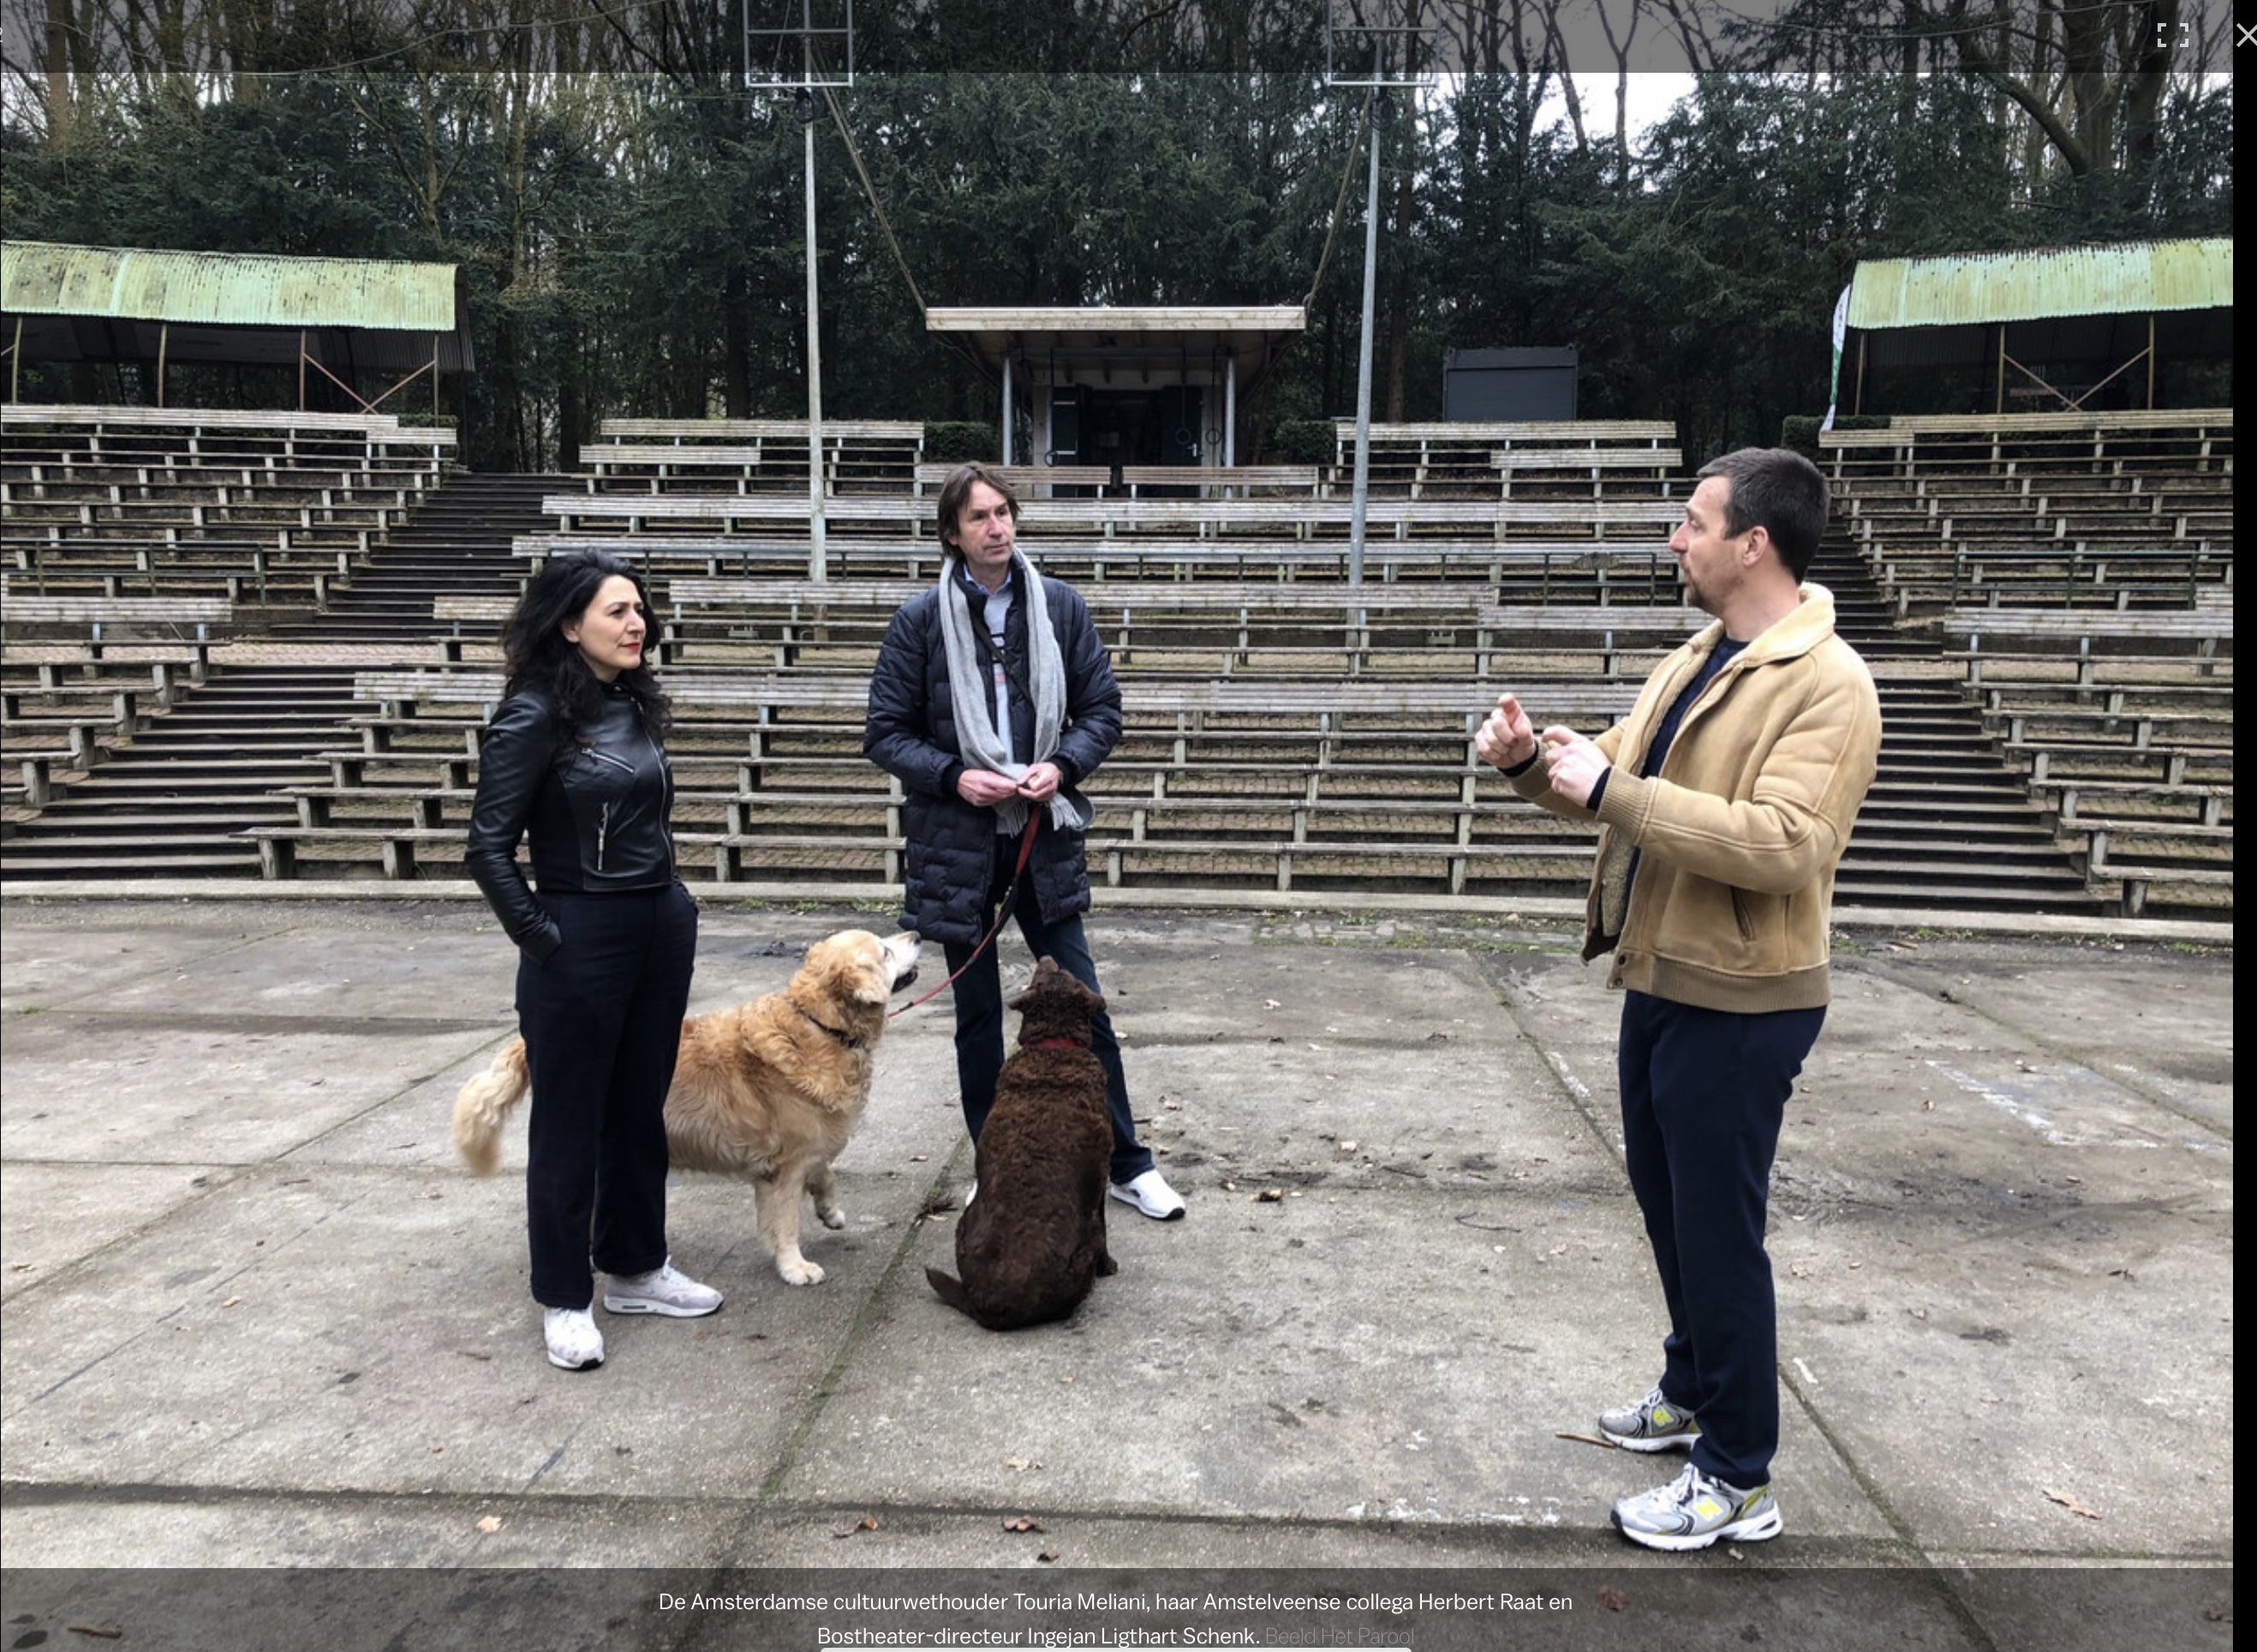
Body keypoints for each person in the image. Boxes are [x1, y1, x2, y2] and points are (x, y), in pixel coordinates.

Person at [1474, 447, 1880, 1550]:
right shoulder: (1701, 655)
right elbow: (1610, 773)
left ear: (1753, 543)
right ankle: (1694, 1388)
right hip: (1661, 972)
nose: (1675, 539)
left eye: (1693, 523)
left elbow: (1787, 845)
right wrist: (1529, 760)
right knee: (1673, 1215)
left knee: (1718, 1236)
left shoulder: (1830, 682)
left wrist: (1619, 790)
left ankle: (1739, 1476)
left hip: (1745, 999)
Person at [864, 462, 1185, 1222]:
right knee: (977, 1017)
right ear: (952, 534)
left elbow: (1102, 709)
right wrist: (953, 776)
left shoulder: (1060, 606)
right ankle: (994, 1164)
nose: (996, 526)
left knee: (1082, 1003)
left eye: (1003, 512)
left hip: (1042, 835)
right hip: (959, 843)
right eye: (978, 516)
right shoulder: (918, 621)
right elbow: (884, 732)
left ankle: (1126, 1163)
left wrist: (1062, 764)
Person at [464, 547, 721, 1371]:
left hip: (656, 926)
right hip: (579, 931)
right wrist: (548, 940)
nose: (636, 622)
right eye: (617, 610)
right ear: (570, 625)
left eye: (639, 609)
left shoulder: (631, 704)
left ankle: (636, 1266)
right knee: (569, 1121)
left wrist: (674, 909)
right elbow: (487, 848)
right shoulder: (532, 714)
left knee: (639, 1108)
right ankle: (564, 1295)